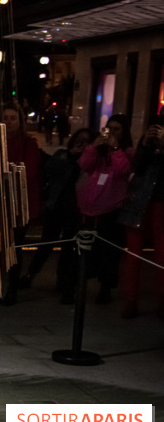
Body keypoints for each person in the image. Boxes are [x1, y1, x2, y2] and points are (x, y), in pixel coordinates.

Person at [20, 128, 94, 303]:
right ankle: (31, 274)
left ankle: (64, 282)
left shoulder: (90, 161)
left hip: (76, 209)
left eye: (86, 141)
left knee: (70, 247)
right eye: (79, 140)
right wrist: (70, 155)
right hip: (57, 206)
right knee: (47, 242)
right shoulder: (62, 155)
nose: (82, 144)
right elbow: (50, 169)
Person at [76, 114, 134, 304]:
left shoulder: (126, 151)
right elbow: (85, 164)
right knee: (88, 250)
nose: (112, 133)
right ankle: (82, 282)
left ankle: (105, 287)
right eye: (110, 128)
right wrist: (95, 145)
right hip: (91, 205)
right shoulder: (98, 149)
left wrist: (115, 149)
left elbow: (122, 170)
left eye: (117, 129)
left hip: (112, 206)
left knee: (108, 252)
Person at [117, 111, 164, 318]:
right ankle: (131, 300)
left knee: (161, 254)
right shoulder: (148, 142)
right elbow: (137, 166)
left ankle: (162, 299)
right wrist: (145, 145)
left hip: (160, 202)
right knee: (133, 253)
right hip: (139, 201)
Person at [0, 102, 43, 305]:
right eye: (5, 118)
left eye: (12, 118)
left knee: (15, 246)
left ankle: (12, 289)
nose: (8, 122)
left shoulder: (28, 144)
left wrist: (6, 174)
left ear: (20, 121)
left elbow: (29, 173)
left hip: (19, 202)